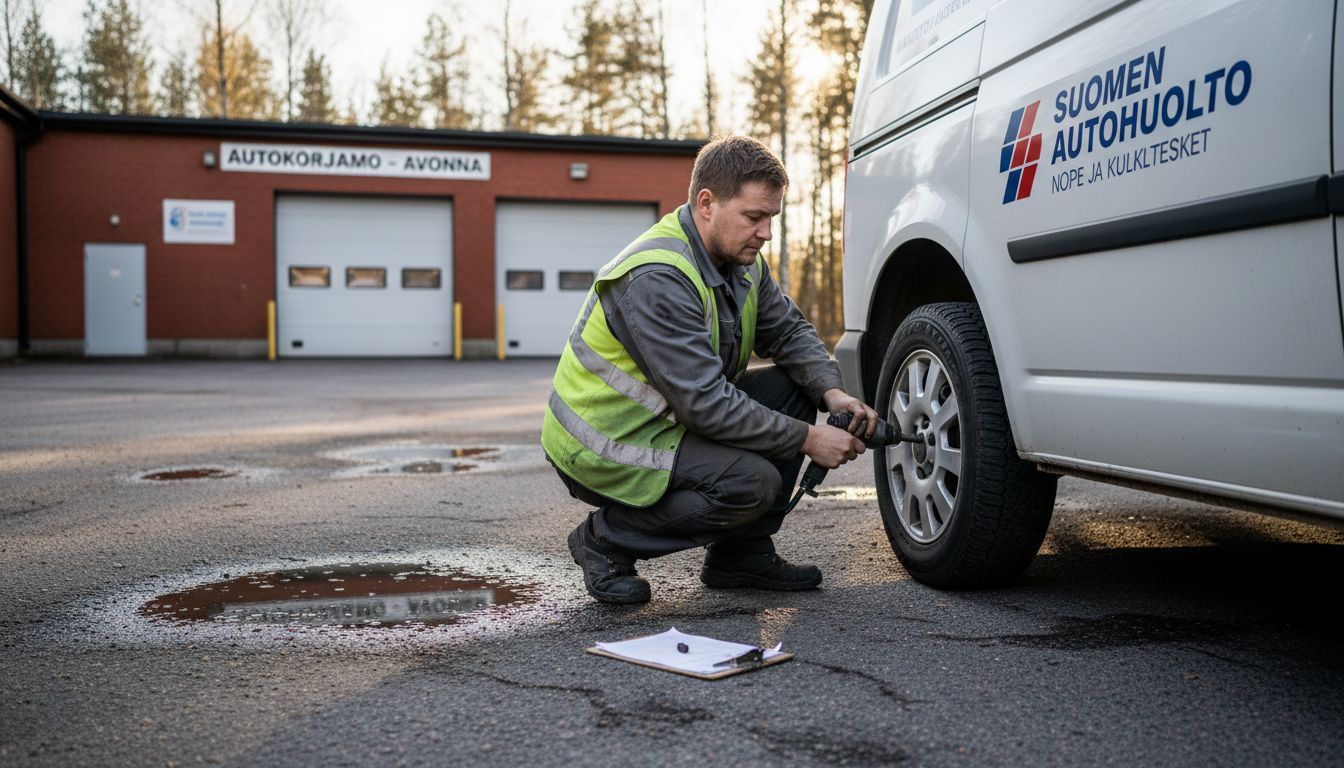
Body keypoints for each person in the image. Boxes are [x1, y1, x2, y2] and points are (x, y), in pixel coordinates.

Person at [542, 135, 879, 604]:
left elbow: (788, 331)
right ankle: (604, 539)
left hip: (667, 420)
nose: (766, 233)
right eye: (754, 217)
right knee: (750, 483)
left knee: (794, 387)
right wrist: (809, 438)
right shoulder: (657, 277)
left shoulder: (741, 262)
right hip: (605, 443)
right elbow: (705, 405)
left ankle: (740, 555)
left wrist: (833, 393)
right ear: (706, 204)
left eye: (772, 218)